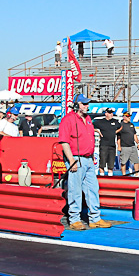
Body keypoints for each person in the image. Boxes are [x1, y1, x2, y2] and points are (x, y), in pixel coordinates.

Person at [58, 94, 110, 230]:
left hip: (87, 159)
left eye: (87, 104)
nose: (87, 106)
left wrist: (92, 156)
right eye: (84, 104)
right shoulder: (67, 120)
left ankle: (95, 218)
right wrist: (71, 160)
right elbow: (64, 142)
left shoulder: (87, 119)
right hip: (76, 158)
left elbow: (89, 139)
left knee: (93, 189)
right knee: (75, 190)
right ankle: (74, 218)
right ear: (76, 105)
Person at [92, 107, 119, 176]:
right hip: (104, 145)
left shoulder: (115, 121)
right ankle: (102, 176)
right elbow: (89, 125)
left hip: (112, 145)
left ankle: (110, 177)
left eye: (112, 113)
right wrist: (97, 131)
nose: (111, 114)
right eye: (110, 113)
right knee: (102, 163)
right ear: (106, 114)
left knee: (111, 164)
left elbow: (121, 127)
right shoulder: (100, 121)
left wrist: (115, 132)